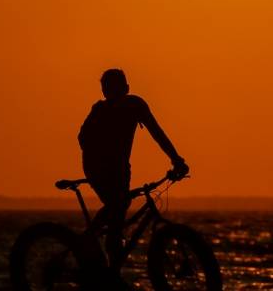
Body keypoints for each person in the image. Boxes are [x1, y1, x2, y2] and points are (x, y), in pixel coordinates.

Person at [77, 69, 189, 274]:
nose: (113, 93)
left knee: (117, 217)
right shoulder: (99, 110)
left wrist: (176, 159)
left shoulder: (136, 105)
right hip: (97, 166)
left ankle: (112, 272)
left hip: (120, 168)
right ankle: (87, 242)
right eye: (109, 89)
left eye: (116, 88)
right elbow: (82, 139)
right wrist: (103, 153)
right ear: (104, 91)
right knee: (116, 206)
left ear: (126, 89)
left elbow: (157, 133)